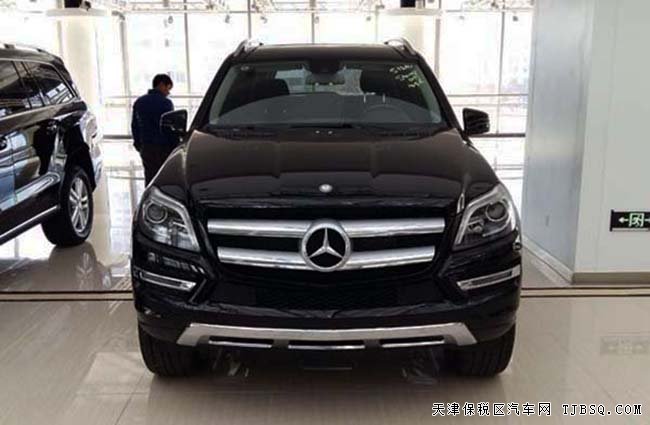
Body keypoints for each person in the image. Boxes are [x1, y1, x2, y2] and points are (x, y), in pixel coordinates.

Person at [131, 74, 178, 185]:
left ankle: (150, 195)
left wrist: (138, 144)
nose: (168, 92)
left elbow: (134, 126)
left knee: (149, 177)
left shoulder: (139, 102)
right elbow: (169, 127)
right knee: (165, 178)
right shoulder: (166, 103)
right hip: (164, 147)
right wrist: (175, 145)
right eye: (168, 88)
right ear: (161, 85)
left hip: (146, 146)